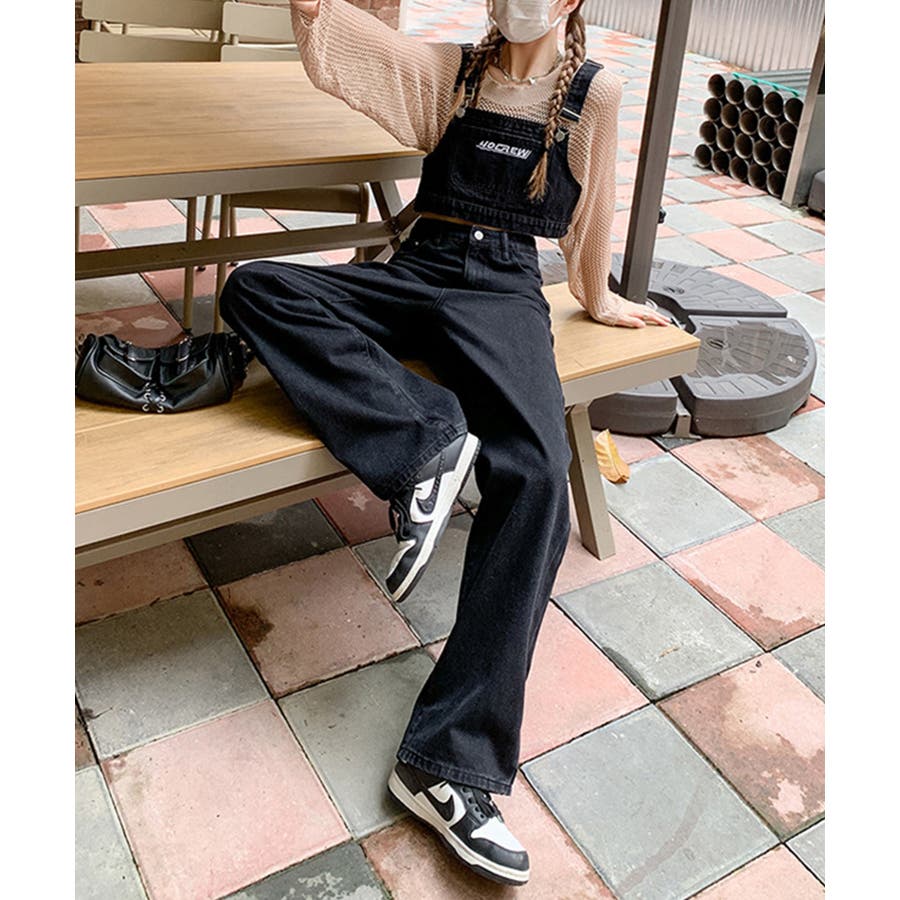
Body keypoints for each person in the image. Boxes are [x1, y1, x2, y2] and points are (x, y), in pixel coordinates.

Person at [219, 0, 670, 885]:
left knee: (538, 476)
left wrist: (599, 297)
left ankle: (447, 762)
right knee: (257, 287)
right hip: (415, 271)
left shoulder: (595, 92)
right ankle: (426, 445)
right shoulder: (453, 72)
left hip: (502, 293)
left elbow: (591, 213)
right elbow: (343, 44)